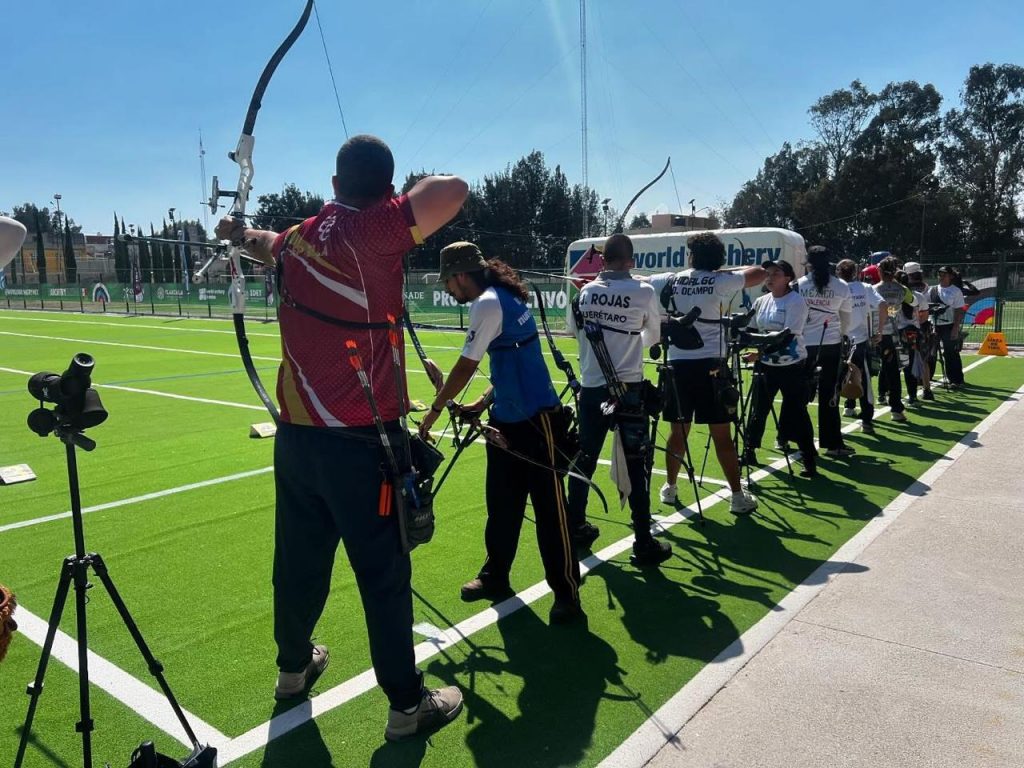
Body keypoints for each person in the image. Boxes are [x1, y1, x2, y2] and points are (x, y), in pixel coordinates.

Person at [215, 134, 468, 742]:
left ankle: (293, 669)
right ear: (387, 188)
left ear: (332, 186)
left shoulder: (301, 237)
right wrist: (387, 203)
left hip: (298, 443)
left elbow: (261, 243)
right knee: (383, 575)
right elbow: (453, 190)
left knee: (297, 565)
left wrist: (233, 232)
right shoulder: (380, 228)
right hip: (361, 444)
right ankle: (407, 707)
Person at [416, 242, 585, 625]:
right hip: (506, 420)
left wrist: (435, 411)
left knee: (550, 512)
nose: (447, 290)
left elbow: (464, 366)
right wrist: (480, 401)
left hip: (538, 422)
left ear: (461, 276)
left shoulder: (489, 302)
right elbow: (511, 364)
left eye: (448, 282)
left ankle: (567, 593)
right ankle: (495, 576)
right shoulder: (500, 298)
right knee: (502, 506)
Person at [565, 233, 671, 565]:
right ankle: (643, 541)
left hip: (592, 389)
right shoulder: (643, 291)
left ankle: (574, 526)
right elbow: (653, 335)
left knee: (585, 459)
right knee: (636, 464)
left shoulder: (584, 294)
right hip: (628, 390)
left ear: (603, 260)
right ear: (631, 261)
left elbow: (573, 332)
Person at [647, 232, 764, 516]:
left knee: (678, 431)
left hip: (678, 365)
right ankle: (737, 498)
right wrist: (721, 272)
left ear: (692, 256)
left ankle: (670, 488)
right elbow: (760, 272)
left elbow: (642, 280)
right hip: (711, 366)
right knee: (722, 435)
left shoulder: (672, 279)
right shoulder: (720, 280)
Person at [743, 260, 817, 477]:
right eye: (768, 273)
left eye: (776, 273)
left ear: (788, 278)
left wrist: (760, 352)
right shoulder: (760, 301)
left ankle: (808, 458)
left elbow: (788, 338)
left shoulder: (796, 302)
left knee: (797, 412)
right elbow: (750, 328)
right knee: (758, 409)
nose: (770, 277)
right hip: (766, 366)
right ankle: (749, 450)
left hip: (792, 366)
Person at [797, 246, 854, 457]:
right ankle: (832, 443)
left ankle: (788, 438)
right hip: (830, 343)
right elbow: (846, 319)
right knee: (829, 394)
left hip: (803, 344)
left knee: (799, 393)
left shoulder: (799, 285)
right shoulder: (841, 286)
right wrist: (843, 335)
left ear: (808, 263)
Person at [837, 259, 886, 434]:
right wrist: (879, 331)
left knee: (834, 379)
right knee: (863, 380)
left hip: (836, 341)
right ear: (857, 272)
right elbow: (882, 304)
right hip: (858, 341)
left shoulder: (835, 287)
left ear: (838, 273)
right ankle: (866, 420)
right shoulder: (865, 288)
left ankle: (843, 412)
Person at [871, 256, 916, 423]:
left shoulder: (873, 288)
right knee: (893, 372)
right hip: (893, 334)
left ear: (880, 271)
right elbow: (912, 301)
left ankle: (853, 405)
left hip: (875, 333)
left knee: (865, 370)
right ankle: (896, 409)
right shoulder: (902, 289)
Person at [897, 264, 932, 404]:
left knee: (900, 364)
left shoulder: (896, 297)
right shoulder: (920, 294)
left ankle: (893, 395)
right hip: (916, 332)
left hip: (900, 332)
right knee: (919, 361)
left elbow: (890, 315)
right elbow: (924, 315)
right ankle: (925, 390)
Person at [929, 266, 966, 389]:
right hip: (934, 325)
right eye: (939, 274)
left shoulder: (956, 291)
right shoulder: (932, 290)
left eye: (944, 274)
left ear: (951, 276)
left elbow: (959, 310)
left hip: (949, 325)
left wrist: (955, 328)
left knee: (950, 353)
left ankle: (956, 379)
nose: (941, 277)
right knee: (930, 353)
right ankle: (926, 377)